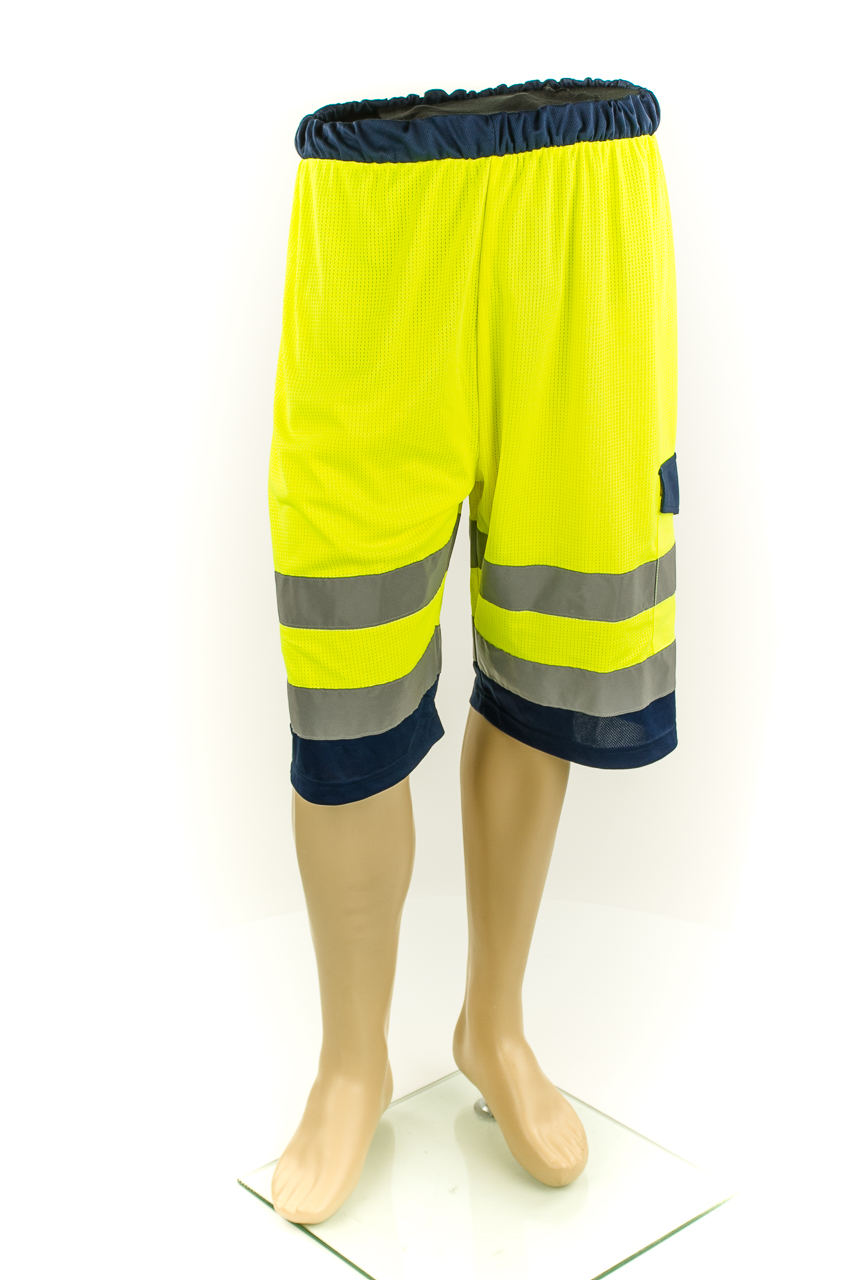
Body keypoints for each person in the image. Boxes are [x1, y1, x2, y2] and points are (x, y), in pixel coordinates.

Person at [267, 76, 679, 1224]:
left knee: (550, 651)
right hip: (373, 226)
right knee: (345, 684)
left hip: (580, 210)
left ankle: (493, 1023)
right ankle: (350, 1062)